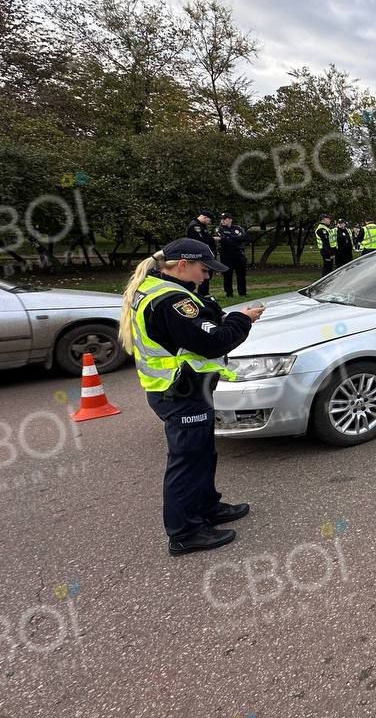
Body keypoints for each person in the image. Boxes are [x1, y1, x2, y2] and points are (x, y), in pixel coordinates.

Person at [117, 238, 264, 556]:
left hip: (184, 391)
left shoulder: (161, 289)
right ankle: (184, 532)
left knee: (203, 454)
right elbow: (215, 342)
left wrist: (211, 310)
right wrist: (243, 319)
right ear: (182, 265)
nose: (207, 275)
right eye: (204, 269)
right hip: (179, 393)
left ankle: (206, 507)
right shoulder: (171, 301)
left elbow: (196, 327)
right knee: (187, 462)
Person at [216, 212, 249, 298]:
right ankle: (229, 294)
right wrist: (235, 239)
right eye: (221, 219)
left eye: (225, 219)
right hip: (226, 255)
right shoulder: (220, 229)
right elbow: (225, 240)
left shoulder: (238, 228)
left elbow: (244, 238)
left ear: (230, 219)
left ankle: (242, 293)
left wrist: (230, 236)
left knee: (241, 274)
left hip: (238, 253)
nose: (222, 221)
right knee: (227, 275)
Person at [186, 209, 217, 296]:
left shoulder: (201, 225)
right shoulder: (195, 226)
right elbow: (201, 240)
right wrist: (213, 239)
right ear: (205, 217)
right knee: (201, 274)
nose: (209, 222)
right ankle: (200, 294)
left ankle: (204, 293)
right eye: (209, 220)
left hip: (203, 254)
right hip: (198, 255)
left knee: (206, 275)